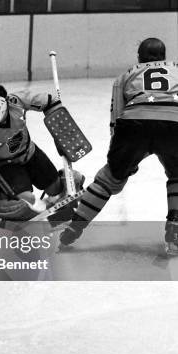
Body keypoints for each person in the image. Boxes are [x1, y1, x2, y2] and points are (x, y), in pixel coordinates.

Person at [60, 38, 178, 254]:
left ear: (139, 57)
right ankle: (175, 228)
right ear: (164, 56)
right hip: (173, 125)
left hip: (133, 125)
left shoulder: (126, 75)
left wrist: (120, 159)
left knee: (109, 179)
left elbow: (116, 118)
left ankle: (74, 226)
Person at [0, 84, 84, 222]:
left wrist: (61, 129)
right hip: (3, 165)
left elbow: (50, 101)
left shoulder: (16, 102)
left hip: (29, 153)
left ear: (6, 103)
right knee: (28, 201)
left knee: (55, 189)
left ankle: (70, 181)